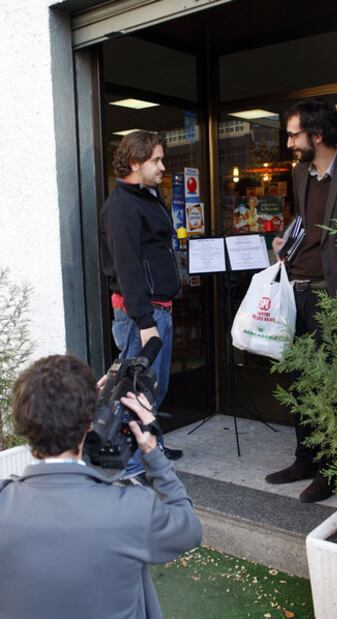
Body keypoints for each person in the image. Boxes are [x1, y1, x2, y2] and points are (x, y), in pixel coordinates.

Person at [0, 354, 202, 619]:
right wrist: (153, 453)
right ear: (88, 423)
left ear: (23, 424)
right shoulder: (132, 509)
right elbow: (189, 529)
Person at [265, 98, 337, 503]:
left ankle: (332, 469)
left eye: (293, 134)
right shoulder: (300, 173)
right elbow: (304, 219)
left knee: (331, 386)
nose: (289, 143)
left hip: (330, 296)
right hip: (296, 292)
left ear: (317, 135)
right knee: (300, 381)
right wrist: (286, 238)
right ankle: (306, 457)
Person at [100, 130, 183, 478]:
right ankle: (130, 468)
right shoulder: (121, 207)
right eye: (156, 160)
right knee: (134, 393)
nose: (163, 166)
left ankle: (153, 449)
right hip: (140, 316)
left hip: (157, 310)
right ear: (135, 162)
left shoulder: (148, 198)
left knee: (152, 388)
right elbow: (128, 269)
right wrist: (145, 320)